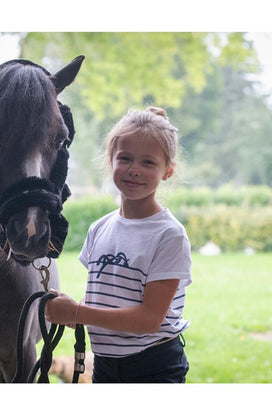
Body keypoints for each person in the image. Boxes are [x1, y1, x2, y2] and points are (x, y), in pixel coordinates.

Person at [45, 107, 192, 383]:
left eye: (148, 162)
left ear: (168, 171)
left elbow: (149, 319)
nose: (134, 170)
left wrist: (78, 312)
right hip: (105, 366)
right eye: (125, 158)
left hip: (154, 367)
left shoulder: (169, 235)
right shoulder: (99, 229)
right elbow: (107, 298)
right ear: (110, 159)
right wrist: (71, 312)